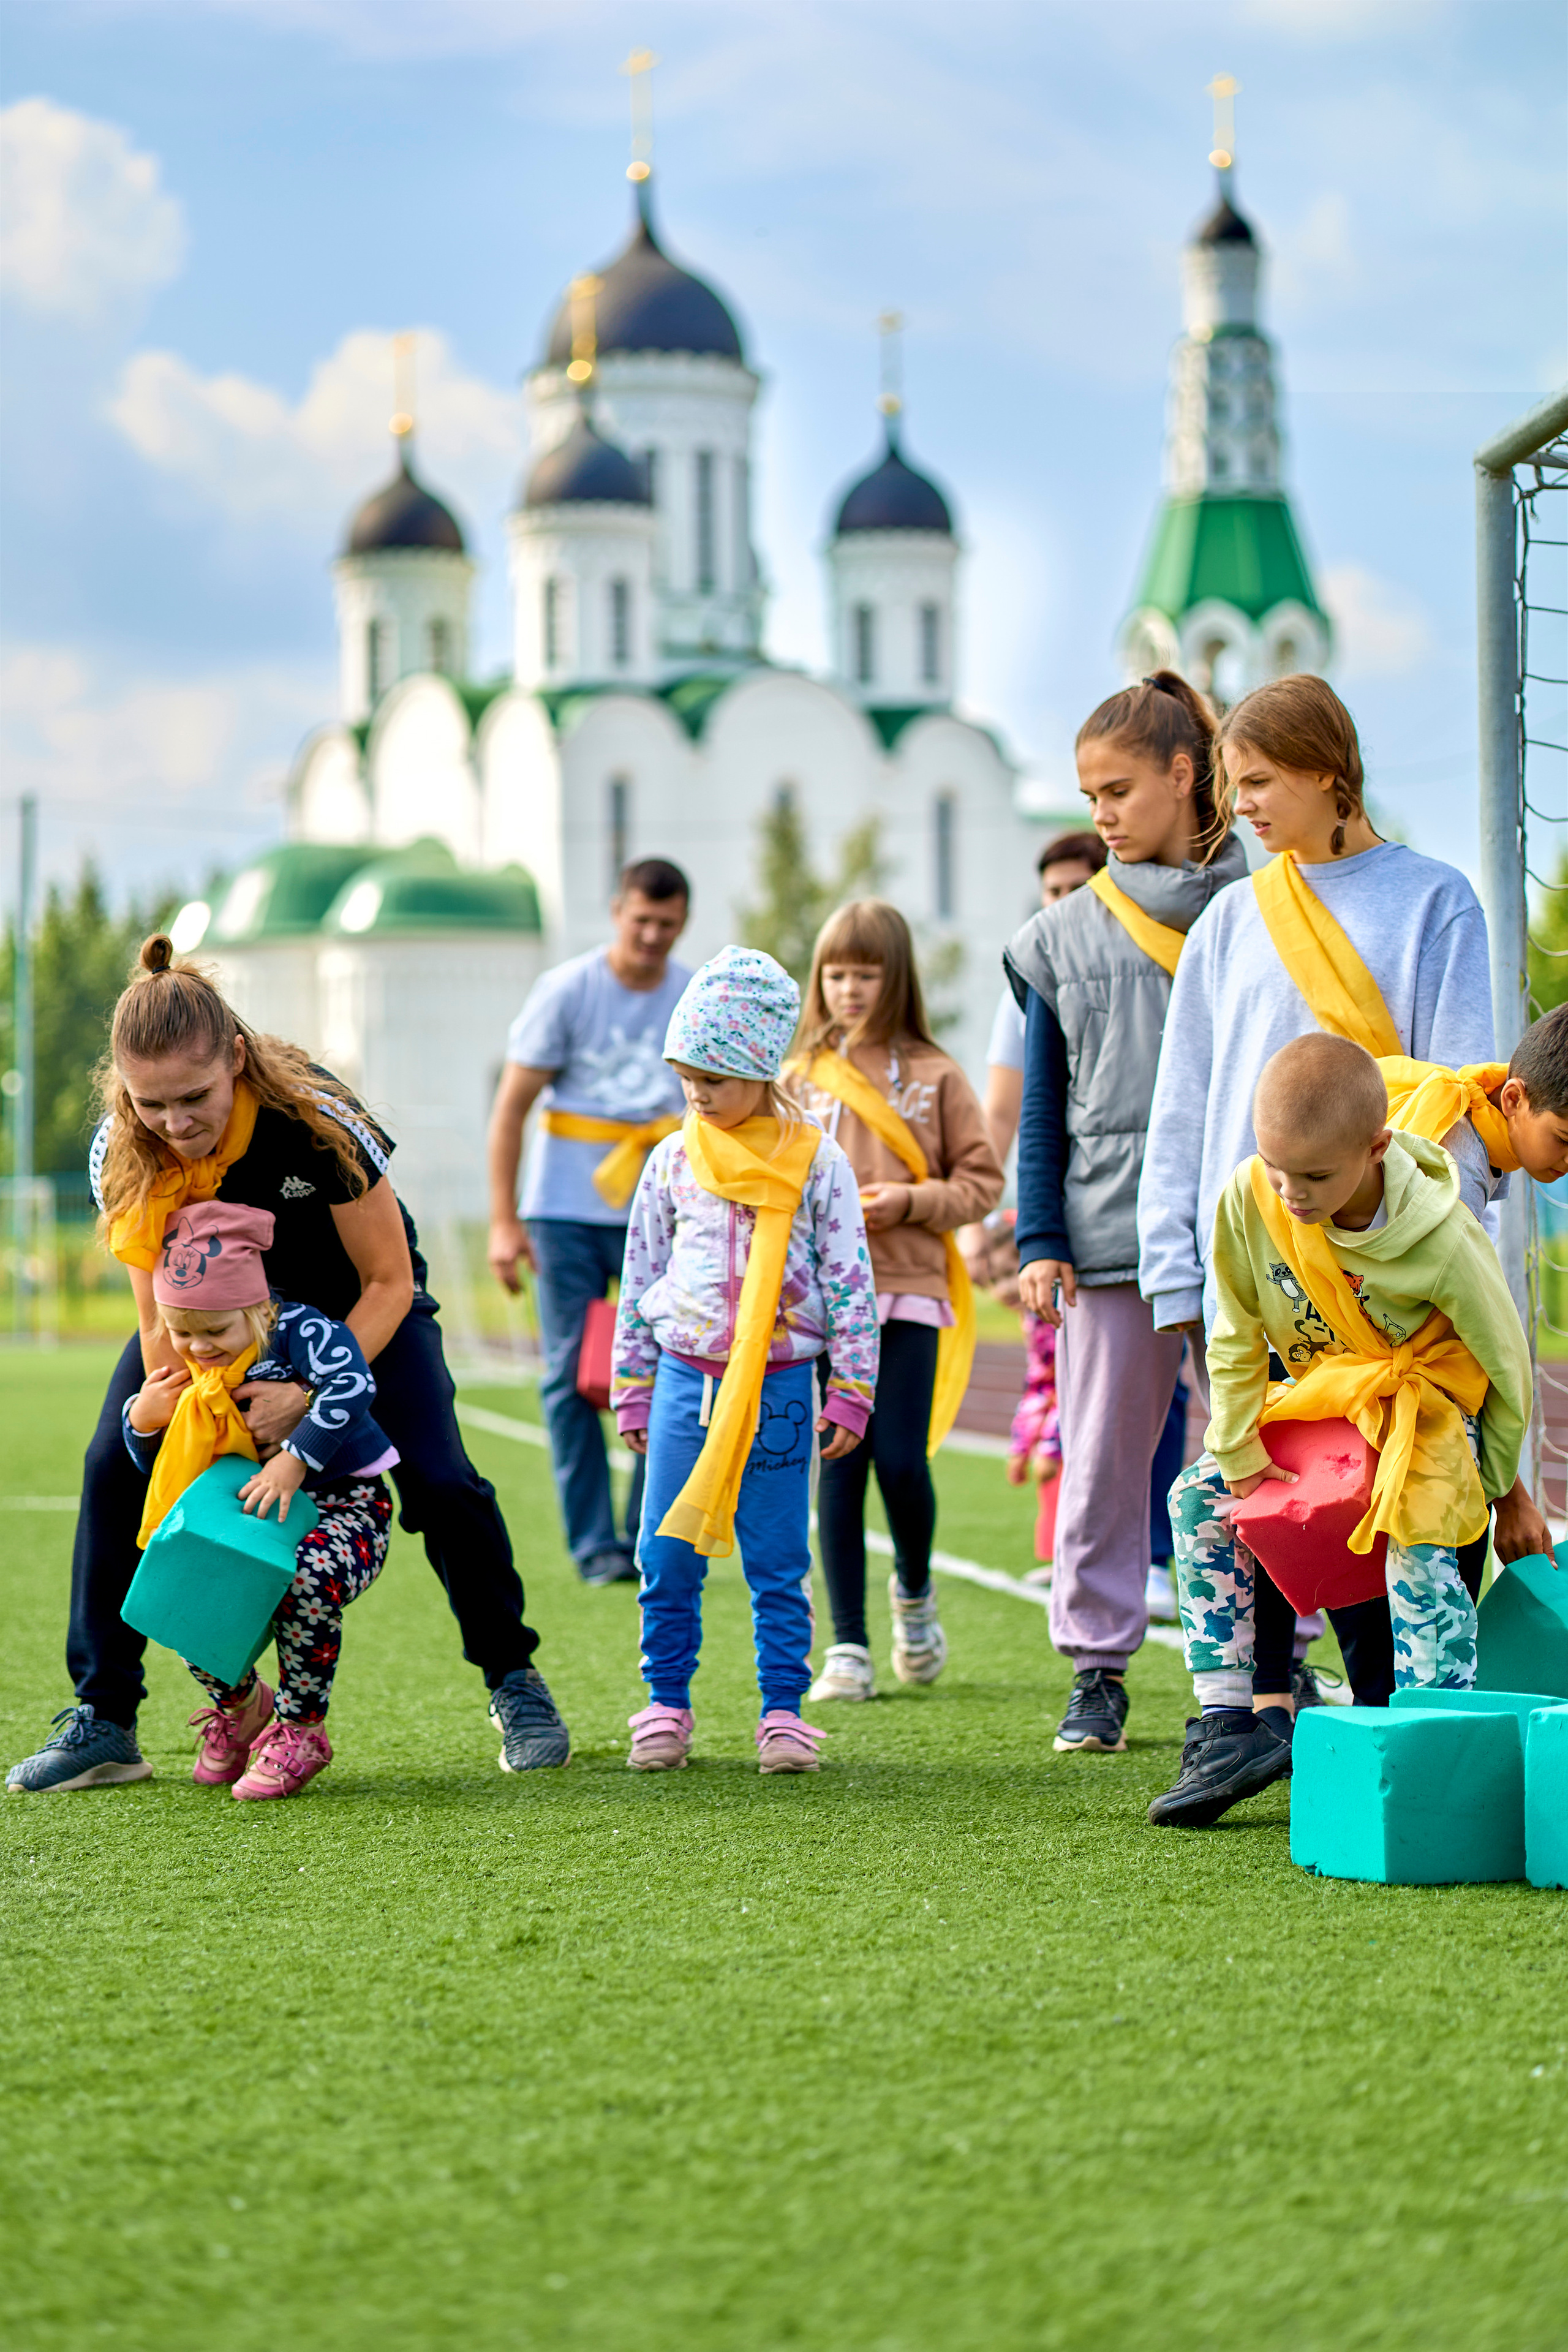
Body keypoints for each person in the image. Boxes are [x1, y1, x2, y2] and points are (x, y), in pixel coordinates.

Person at [8, 937, 568, 1796]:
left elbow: (388, 1281)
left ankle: (514, 1681)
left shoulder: (318, 1120)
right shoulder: (123, 1151)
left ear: (235, 1057)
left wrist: (308, 1400)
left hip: (355, 1309)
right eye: (151, 1103)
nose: (176, 1122)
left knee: (443, 1481)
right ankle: (106, 1716)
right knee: (113, 1463)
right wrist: (201, 1416)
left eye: (194, 1097)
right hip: (213, 1323)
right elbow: (161, 1325)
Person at [1137, 671, 1545, 1728]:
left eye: (1264, 781)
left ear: (1333, 773)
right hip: (1261, 1260)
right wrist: (1174, 1255)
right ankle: (1251, 1717)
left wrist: (1398, 1233)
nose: (1248, 808)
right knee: (1261, 1490)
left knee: (1388, 1515)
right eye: (1235, 787)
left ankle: (1394, 1720)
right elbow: (1186, 1093)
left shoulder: (1433, 899)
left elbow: (1455, 1094)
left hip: (1391, 1272)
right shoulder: (1231, 919)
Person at [1149, 1035, 1532, 1828]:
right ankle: (1229, 1725)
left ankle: (1438, 1745)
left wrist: (1496, 1490)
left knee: (1420, 1541)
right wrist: (1240, 1453)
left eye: (1316, 1176)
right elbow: (1235, 1331)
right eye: (1277, 1167)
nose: (1291, 1192)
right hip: (1321, 1411)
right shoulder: (1251, 1196)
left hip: (1420, 1421)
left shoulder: (1446, 1234)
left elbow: (1506, 1367)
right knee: (1199, 1499)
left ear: (1377, 1148)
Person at [1007, 672, 1249, 1755]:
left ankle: (1262, 1660)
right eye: (1088, 793)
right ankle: (1097, 1668)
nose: (1099, 813)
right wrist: (1041, 1239)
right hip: (1108, 1238)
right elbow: (1043, 1107)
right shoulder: (1061, 937)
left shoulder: (1271, 904)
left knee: (1257, 1444)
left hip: (1249, 1227)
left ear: (1184, 775)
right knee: (1104, 1457)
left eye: (1118, 789)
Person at [611, 947, 878, 1772]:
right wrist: (633, 1384)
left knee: (777, 1558)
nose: (697, 1095)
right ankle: (666, 1703)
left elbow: (850, 1279)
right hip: (686, 1382)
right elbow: (641, 1274)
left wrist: (854, 1388)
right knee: (664, 1552)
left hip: (785, 1385)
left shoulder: (817, 1162)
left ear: (761, 1070)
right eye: (687, 1078)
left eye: (715, 1080)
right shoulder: (672, 1160)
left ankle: (783, 1713)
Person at [788, 900, 1005, 1702]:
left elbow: (982, 1184)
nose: (848, 989)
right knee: (838, 1463)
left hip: (910, 1291)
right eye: (836, 974)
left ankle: (913, 1590)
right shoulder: (798, 1079)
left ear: (896, 978)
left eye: (866, 974)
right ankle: (848, 1646)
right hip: (821, 1303)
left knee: (901, 1461)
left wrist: (909, 1203)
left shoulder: (936, 1075)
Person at [121, 1200, 397, 1801]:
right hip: (247, 1513)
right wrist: (142, 1422)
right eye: (182, 1332)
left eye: (216, 1331)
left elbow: (353, 1383)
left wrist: (296, 1458)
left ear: (259, 1308)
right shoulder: (188, 1361)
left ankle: (301, 1728)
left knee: (305, 1580)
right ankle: (242, 1706)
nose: (198, 1348)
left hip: (344, 1507)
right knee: (177, 1586)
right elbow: (172, 1467)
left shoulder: (300, 1328)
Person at [489, 859, 693, 1586]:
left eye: (666, 926)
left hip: (662, 1208)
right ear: (617, 912)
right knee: (571, 1372)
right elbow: (512, 1107)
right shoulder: (568, 990)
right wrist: (503, 1222)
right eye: (640, 920)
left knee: (667, 1361)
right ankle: (593, 1544)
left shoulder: (689, 992)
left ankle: (646, 1532)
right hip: (565, 1208)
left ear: (682, 925)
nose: (651, 936)